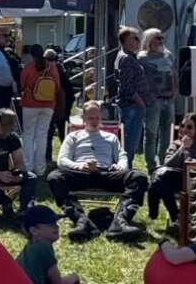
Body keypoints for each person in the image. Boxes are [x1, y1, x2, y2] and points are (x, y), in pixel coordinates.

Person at [47, 101, 149, 241]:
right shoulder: (73, 136)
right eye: (91, 118)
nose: (94, 121)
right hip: (82, 174)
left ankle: (120, 222)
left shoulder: (111, 137)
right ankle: (82, 221)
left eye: (97, 118)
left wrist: (120, 166)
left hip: (106, 173)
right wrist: (80, 166)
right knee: (54, 177)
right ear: (83, 119)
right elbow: (62, 160)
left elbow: (122, 156)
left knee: (138, 177)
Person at [149, 112, 196, 226]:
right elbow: (167, 163)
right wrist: (182, 148)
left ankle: (167, 215)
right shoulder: (176, 144)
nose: (184, 129)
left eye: (189, 127)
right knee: (162, 177)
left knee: (159, 179)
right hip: (180, 179)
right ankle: (176, 216)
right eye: (182, 126)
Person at [18, 44, 60, 182]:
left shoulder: (29, 67)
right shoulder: (52, 66)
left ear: (31, 54)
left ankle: (28, 167)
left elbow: (22, 84)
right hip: (48, 105)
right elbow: (57, 86)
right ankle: (40, 168)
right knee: (42, 136)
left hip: (30, 104)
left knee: (28, 135)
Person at [138, 29, 176, 174]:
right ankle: (151, 166)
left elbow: (173, 73)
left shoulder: (168, 55)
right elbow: (139, 79)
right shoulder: (142, 57)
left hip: (168, 99)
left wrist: (175, 91)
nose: (161, 41)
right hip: (152, 100)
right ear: (149, 40)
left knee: (167, 133)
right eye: (158, 38)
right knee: (151, 133)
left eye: (162, 38)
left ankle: (163, 162)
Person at [113, 26, 148, 159]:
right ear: (126, 41)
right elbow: (126, 86)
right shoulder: (126, 58)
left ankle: (126, 167)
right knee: (129, 143)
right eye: (135, 38)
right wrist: (140, 102)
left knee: (129, 142)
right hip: (132, 106)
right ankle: (126, 170)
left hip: (131, 106)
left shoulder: (127, 56)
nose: (138, 41)